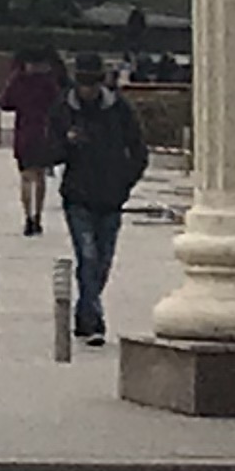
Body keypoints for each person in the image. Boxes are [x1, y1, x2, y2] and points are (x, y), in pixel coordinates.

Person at [54, 51, 149, 348]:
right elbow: (48, 148)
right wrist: (65, 143)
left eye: (93, 83)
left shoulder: (119, 109)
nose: (88, 89)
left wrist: (125, 182)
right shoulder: (63, 107)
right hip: (77, 196)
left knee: (103, 262)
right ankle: (95, 321)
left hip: (111, 197)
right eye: (83, 83)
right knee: (88, 256)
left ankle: (84, 312)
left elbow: (138, 150)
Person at [0, 45, 67, 237]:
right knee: (40, 177)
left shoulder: (18, 81)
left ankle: (27, 216)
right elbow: (59, 105)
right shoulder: (49, 83)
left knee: (26, 177)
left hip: (24, 133)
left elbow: (5, 103)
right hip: (44, 133)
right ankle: (38, 216)